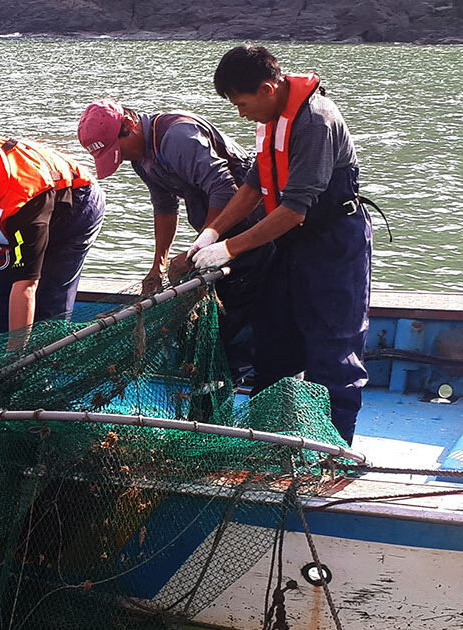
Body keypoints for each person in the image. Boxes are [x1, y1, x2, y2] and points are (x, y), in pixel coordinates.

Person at [189, 45, 371, 444]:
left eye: (242, 103)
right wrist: (212, 232)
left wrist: (229, 249)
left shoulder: (314, 122)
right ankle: (269, 441)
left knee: (333, 349)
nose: (240, 113)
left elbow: (292, 211)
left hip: (334, 244)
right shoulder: (274, 120)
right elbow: (254, 185)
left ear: (269, 89)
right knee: (273, 339)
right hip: (291, 246)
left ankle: (332, 454)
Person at [76, 98, 271, 366]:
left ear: (130, 125)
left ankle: (246, 372)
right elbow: (165, 207)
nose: (121, 159)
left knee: (244, 315)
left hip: (252, 226)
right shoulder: (140, 157)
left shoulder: (178, 137)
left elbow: (226, 190)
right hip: (215, 232)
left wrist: (197, 250)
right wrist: (158, 265)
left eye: (117, 150)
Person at [0, 132, 104, 338]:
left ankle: (38, 358)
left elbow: (26, 286)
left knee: (47, 305)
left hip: (73, 209)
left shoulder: (25, 209)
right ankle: (0, 349)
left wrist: (15, 361)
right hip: (13, 206)